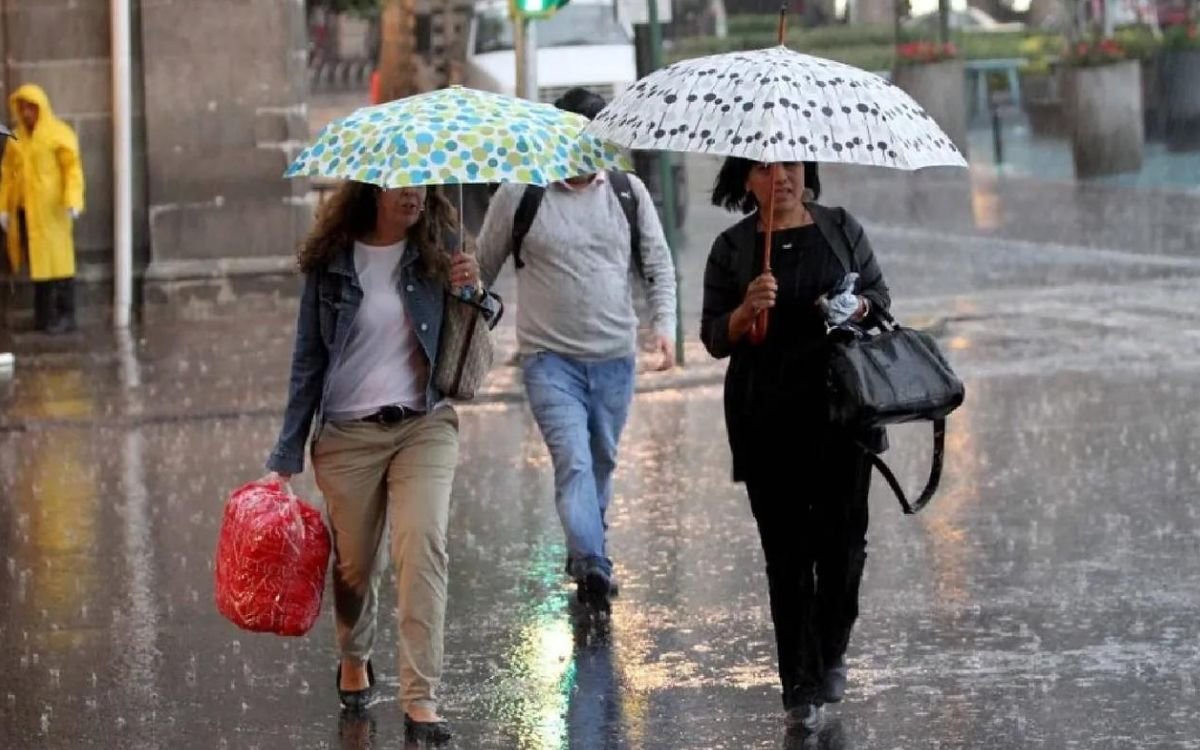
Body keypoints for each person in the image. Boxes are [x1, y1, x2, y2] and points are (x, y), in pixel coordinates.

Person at [265, 181, 494, 744]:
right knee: (355, 567)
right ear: (371, 190)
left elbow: (480, 323)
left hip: (424, 424)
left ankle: (421, 700)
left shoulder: (441, 244)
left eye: (421, 184)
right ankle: (354, 655)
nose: (413, 195)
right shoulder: (334, 259)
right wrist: (285, 455)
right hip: (348, 436)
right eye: (400, 187)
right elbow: (307, 359)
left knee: (423, 545)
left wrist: (474, 291)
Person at [699, 159, 891, 735]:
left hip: (842, 412)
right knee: (787, 558)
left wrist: (855, 307)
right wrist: (744, 312)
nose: (781, 176)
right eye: (764, 167)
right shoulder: (733, 249)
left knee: (843, 550)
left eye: (792, 163)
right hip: (767, 419)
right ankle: (799, 687)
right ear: (745, 181)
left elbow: (879, 298)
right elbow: (712, 336)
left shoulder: (840, 228)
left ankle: (831, 651)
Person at [475, 87, 679, 610]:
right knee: (573, 463)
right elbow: (483, 268)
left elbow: (657, 263)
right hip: (549, 361)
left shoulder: (627, 192)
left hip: (615, 357)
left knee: (602, 461)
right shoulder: (522, 194)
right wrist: (461, 302)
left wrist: (665, 327)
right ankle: (592, 560)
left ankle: (586, 546)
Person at [0, 84, 85, 334]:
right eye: (23, 108)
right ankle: (44, 315)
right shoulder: (17, 140)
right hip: (28, 211)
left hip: (54, 211)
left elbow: (72, 169)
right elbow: (8, 175)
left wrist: (72, 199)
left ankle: (66, 315)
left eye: (31, 108)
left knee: (60, 264)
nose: (27, 114)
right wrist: (4, 206)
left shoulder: (59, 135)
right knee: (38, 266)